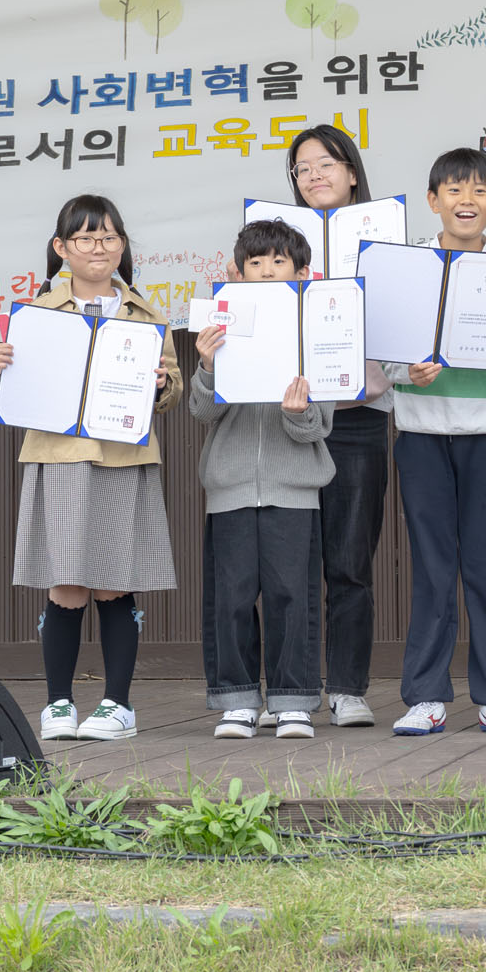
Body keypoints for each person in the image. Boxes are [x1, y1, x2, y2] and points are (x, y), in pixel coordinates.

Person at [0, 195, 180, 743]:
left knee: (115, 583)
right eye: (86, 238)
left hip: (123, 457)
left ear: (123, 246)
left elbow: (171, 391)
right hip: (60, 457)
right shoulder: (37, 313)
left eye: (109, 237)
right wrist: (1, 369)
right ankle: (59, 703)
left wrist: (162, 385)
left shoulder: (146, 315)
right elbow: (13, 395)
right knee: (66, 582)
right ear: (62, 247)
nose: (99, 247)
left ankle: (118, 705)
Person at [385, 148, 486, 738]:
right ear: (433, 200)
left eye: (480, 191)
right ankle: (426, 696)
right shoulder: (408, 268)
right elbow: (383, 352)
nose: (466, 201)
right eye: (454, 190)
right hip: (421, 435)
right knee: (432, 570)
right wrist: (407, 371)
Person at [189, 221, 335, 740]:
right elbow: (201, 411)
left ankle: (293, 701)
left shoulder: (315, 334)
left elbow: (318, 427)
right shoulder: (221, 330)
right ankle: (237, 700)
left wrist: (297, 412)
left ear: (302, 272)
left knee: (291, 596)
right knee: (230, 598)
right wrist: (207, 365)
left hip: (293, 489)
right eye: (256, 263)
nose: (268, 271)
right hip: (229, 487)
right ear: (239, 273)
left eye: (279, 262)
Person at [284, 124, 390, 729]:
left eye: (326, 163)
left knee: (350, 563)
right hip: (291, 418)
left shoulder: (385, 242)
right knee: (289, 566)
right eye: (302, 168)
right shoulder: (274, 245)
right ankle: (293, 691)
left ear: (352, 172)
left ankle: (348, 687)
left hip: (358, 420)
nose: (314, 175)